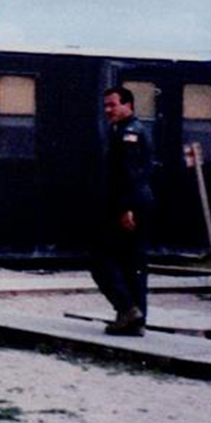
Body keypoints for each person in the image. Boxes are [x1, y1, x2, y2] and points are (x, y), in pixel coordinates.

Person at [91, 85, 155, 336]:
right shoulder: (121, 130)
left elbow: (132, 173)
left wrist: (127, 208)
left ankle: (127, 309)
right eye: (105, 105)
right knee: (133, 264)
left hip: (129, 204)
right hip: (135, 202)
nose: (108, 110)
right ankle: (135, 321)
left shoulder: (130, 133)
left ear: (129, 105)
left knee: (100, 260)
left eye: (113, 105)